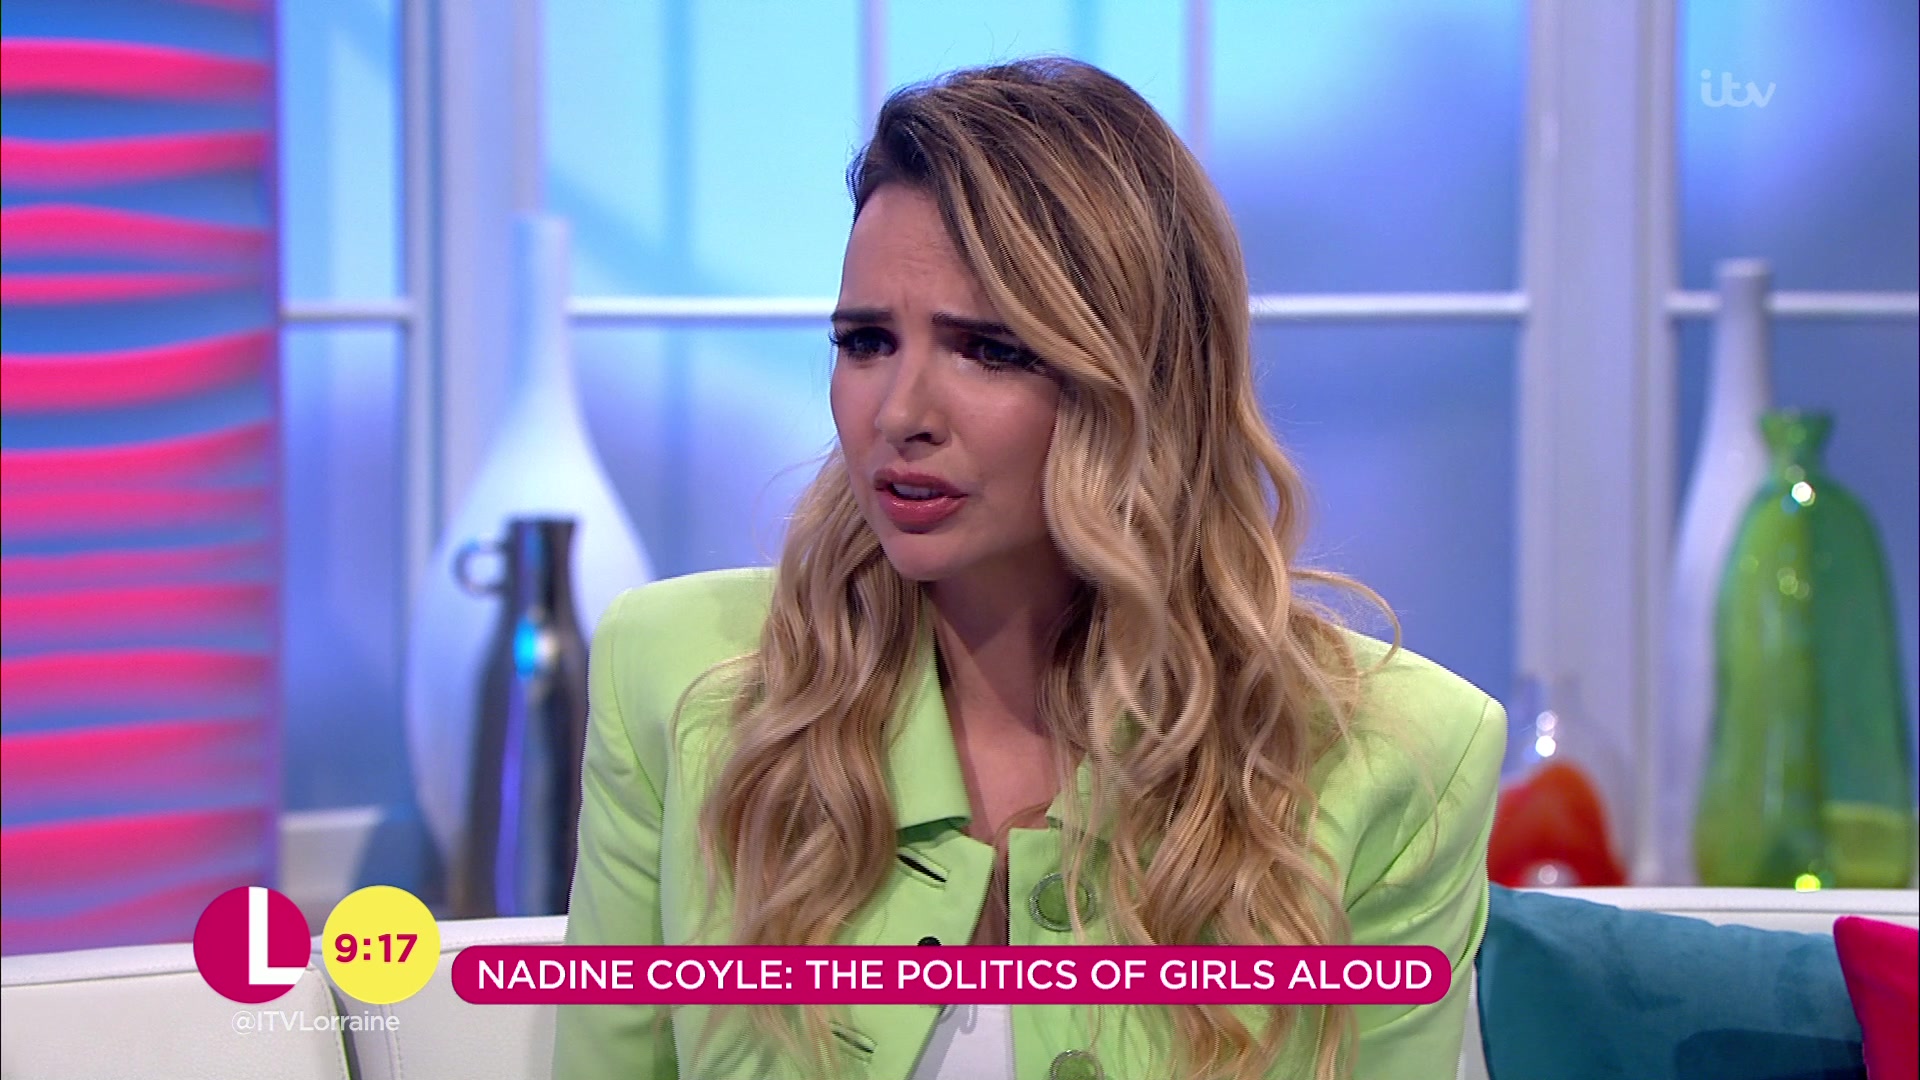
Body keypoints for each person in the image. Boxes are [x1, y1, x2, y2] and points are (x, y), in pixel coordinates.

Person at [554, 57, 1504, 1080]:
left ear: (1140, 381)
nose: (900, 413)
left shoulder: (1395, 758)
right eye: (866, 341)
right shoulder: (680, 681)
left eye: (990, 350)